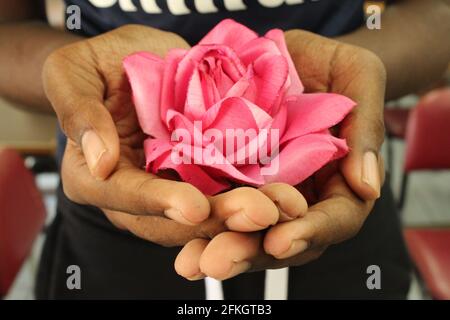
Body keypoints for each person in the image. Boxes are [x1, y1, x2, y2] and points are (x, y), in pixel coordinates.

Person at [0, 0, 449, 299]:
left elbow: (435, 12)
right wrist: (85, 79)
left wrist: (350, 68)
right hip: (120, 188)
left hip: (329, 189)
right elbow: (8, 30)